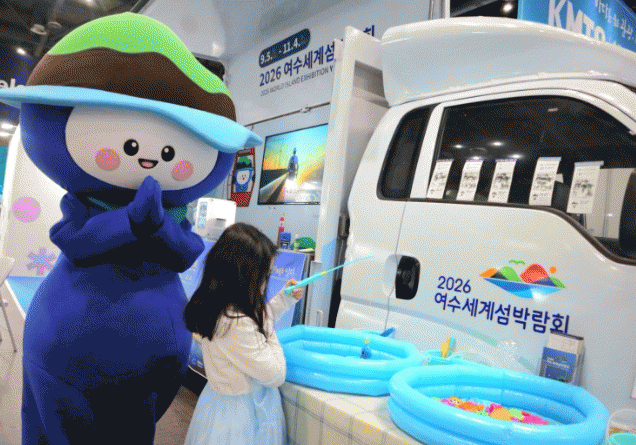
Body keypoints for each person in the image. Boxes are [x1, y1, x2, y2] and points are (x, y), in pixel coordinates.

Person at [183, 222, 304, 445]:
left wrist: (284, 299)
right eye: (264, 276)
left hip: (221, 404)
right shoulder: (234, 323)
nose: (265, 283)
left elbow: (255, 322)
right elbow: (276, 374)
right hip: (244, 416)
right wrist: (269, 330)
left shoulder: (217, 307)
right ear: (243, 277)